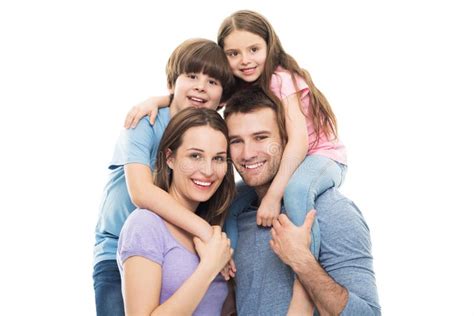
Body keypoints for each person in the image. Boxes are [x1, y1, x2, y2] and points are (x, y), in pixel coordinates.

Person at [123, 10, 347, 261]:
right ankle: (229, 263)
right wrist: (161, 99)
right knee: (230, 204)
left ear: (269, 46)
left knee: (295, 191)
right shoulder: (244, 85)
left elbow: (299, 141)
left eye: (254, 49)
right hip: (292, 160)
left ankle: (304, 262)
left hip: (321, 157)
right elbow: (204, 99)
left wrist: (273, 196)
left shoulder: (281, 79)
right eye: (233, 54)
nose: (245, 60)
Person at [93, 38, 235, 316]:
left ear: (222, 100)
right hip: (115, 247)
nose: (200, 86)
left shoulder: (211, 133)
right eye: (192, 76)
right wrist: (206, 233)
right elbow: (142, 194)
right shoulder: (144, 122)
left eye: (212, 82)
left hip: (177, 237)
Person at [223, 86, 380, 315]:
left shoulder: (332, 212)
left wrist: (302, 261)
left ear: (287, 140)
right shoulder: (236, 216)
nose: (247, 154)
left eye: (261, 137)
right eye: (236, 141)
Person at [118, 108, 235, 315]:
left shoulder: (213, 233)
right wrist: (209, 267)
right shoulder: (146, 225)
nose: (208, 171)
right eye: (195, 155)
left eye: (218, 158)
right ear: (170, 158)